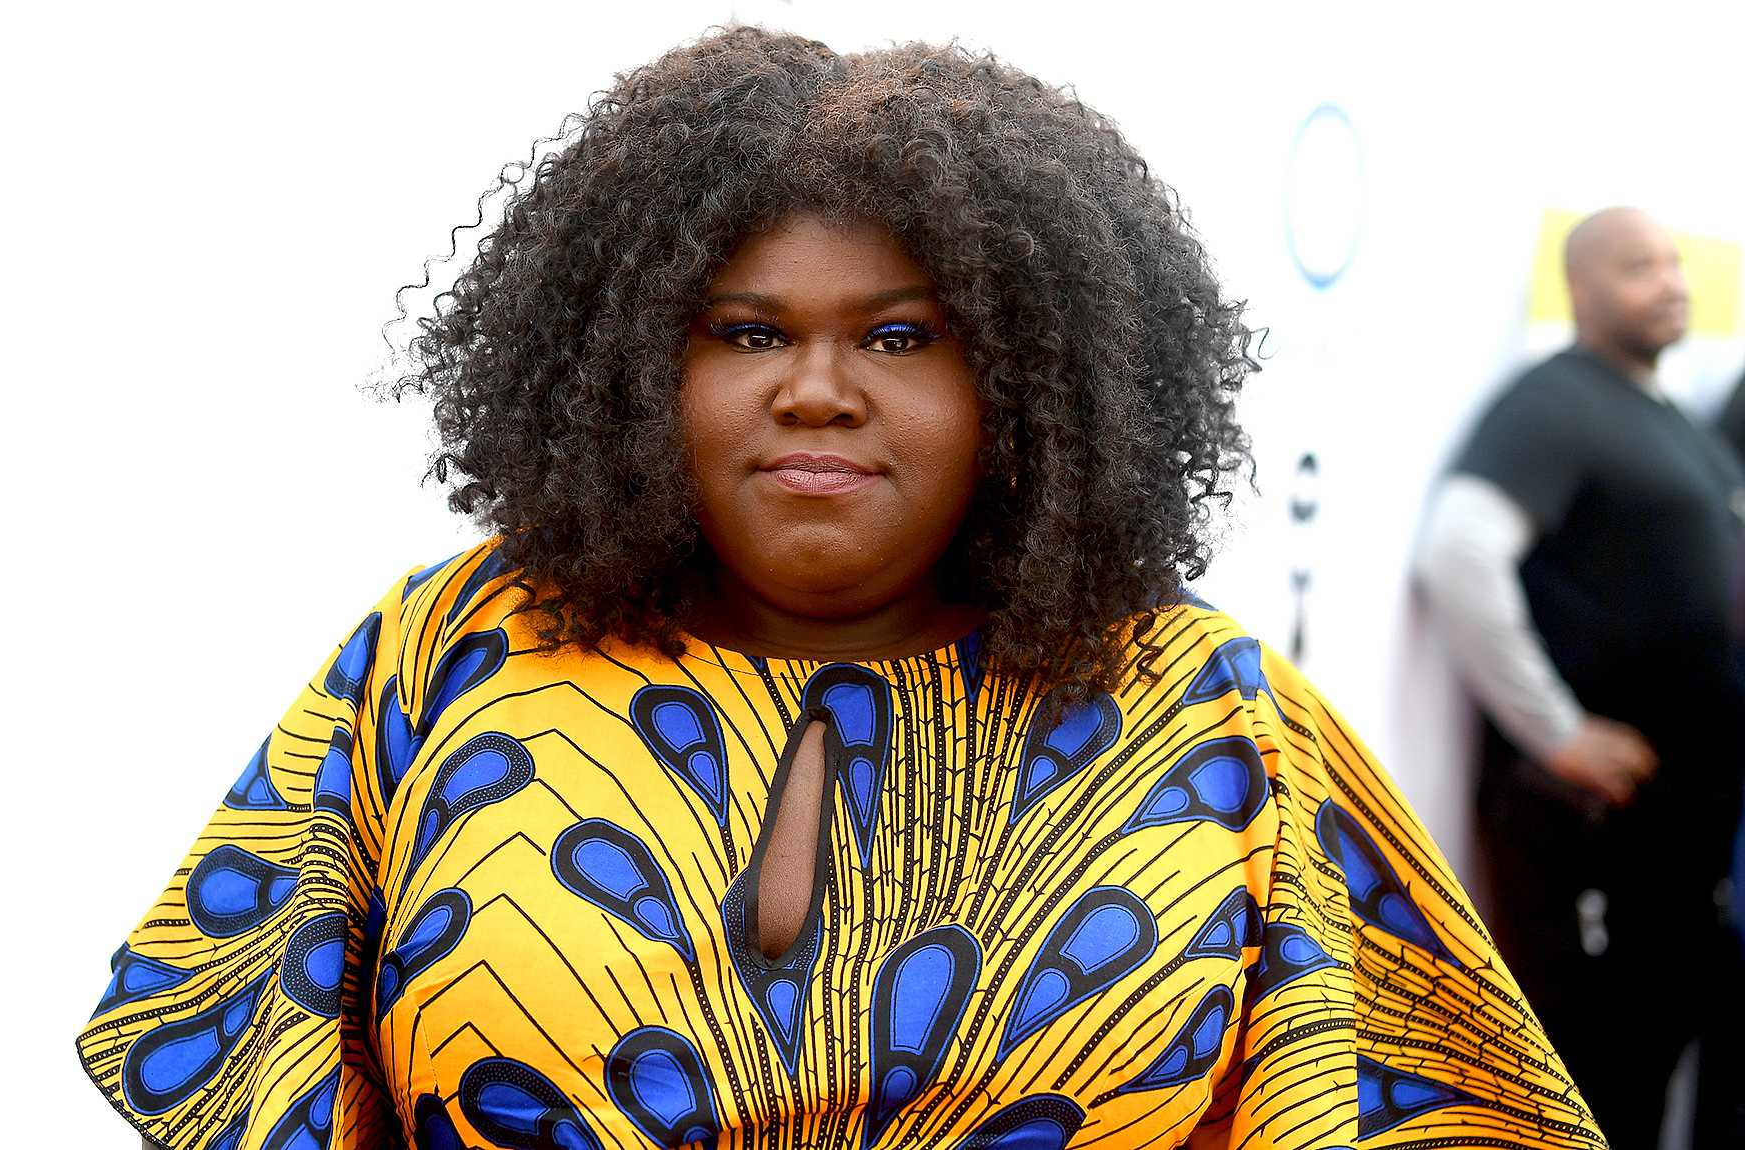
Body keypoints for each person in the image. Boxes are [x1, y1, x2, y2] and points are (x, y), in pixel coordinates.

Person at [79, 29, 1601, 1150]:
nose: (816, 390)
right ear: (627, 361)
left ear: (1028, 380)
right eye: (745, 333)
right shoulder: (444, 653)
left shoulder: (1213, 714)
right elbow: (239, 1070)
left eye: (899, 336)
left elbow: (1421, 1105)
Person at [1417, 207, 1745, 1147]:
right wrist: (1557, 731)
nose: (1670, 281)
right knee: (1589, 1078)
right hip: (1592, 830)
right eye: (1639, 266)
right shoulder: (1554, 400)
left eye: (1674, 262)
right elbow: (1459, 553)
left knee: (1644, 1069)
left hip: (1674, 827)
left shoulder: (1661, 408)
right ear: (1581, 289)